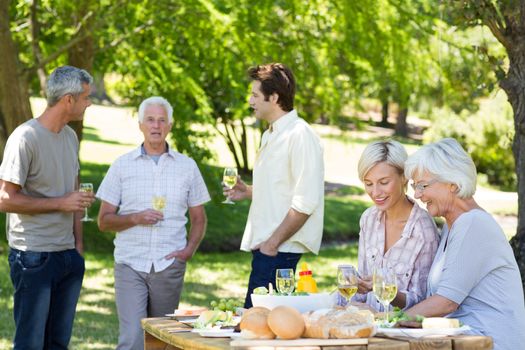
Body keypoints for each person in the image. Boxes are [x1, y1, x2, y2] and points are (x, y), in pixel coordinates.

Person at [96, 96, 210, 350]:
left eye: (161, 120)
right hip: (130, 264)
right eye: (150, 120)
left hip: (169, 265)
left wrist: (188, 251)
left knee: (162, 342)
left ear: (170, 125)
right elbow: (103, 221)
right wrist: (135, 217)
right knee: (133, 340)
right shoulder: (121, 166)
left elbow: (199, 219)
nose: (156, 126)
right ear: (140, 125)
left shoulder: (187, 167)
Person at [0, 65, 95, 349]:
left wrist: (77, 248)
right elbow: (5, 198)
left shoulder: (69, 137)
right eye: (86, 97)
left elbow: (74, 194)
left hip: (66, 255)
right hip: (34, 257)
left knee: (57, 343)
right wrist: (60, 203)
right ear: (69, 99)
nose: (89, 103)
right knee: (31, 343)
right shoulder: (25, 137)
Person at [403, 138, 525, 350]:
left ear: (453, 183)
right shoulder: (453, 226)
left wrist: (386, 322)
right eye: (415, 186)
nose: (417, 194)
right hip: (462, 340)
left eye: (423, 185)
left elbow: (446, 302)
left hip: (490, 343)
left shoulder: (473, 223)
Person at [225, 63, 324, 307]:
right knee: (256, 327)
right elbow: (281, 189)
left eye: (255, 95)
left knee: (260, 331)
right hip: (267, 246)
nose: (250, 101)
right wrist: (248, 191)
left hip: (279, 249)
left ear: (275, 97)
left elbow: (305, 201)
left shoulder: (300, 135)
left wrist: (272, 244)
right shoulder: (272, 133)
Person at [346, 140, 439, 311]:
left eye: (383, 182)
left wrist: (383, 288)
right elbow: (361, 289)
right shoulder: (368, 219)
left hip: (401, 330)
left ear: (403, 177)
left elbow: (422, 300)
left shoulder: (423, 231)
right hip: (369, 326)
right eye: (369, 183)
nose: (375, 192)